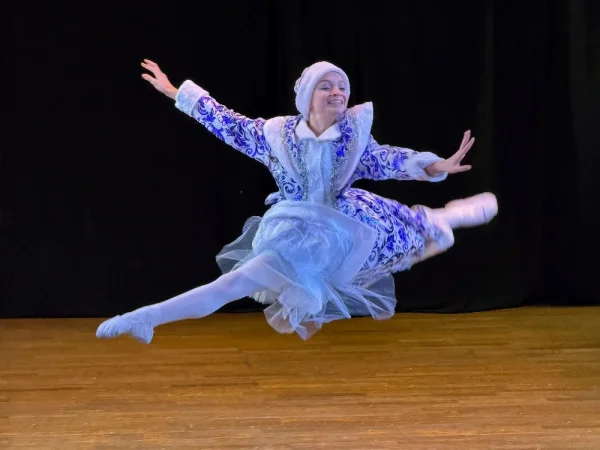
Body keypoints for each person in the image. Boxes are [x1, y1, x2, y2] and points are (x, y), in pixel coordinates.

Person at [96, 60, 498, 343]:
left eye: (342, 86)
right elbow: (226, 122)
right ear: (308, 95)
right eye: (326, 86)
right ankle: (145, 318)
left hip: (343, 228)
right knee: (232, 284)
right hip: (292, 232)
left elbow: (387, 160)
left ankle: (450, 216)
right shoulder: (275, 136)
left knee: (413, 229)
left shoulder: (353, 137)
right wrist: (175, 92)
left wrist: (436, 165)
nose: (337, 92)